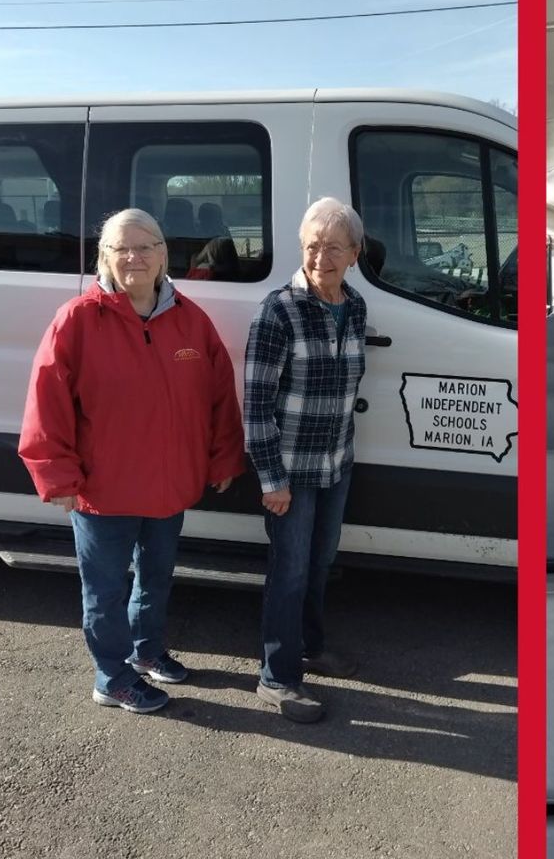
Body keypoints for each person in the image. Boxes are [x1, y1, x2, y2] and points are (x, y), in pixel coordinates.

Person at [18, 208, 244, 714]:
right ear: (105, 256)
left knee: (156, 577)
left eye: (145, 246)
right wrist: (56, 477)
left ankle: (146, 651)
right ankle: (112, 676)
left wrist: (224, 457)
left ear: (165, 255)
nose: (134, 257)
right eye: (121, 248)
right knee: (104, 591)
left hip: (169, 487)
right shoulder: (77, 319)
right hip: (104, 491)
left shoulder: (190, 320)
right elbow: (46, 402)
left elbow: (219, 398)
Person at [244, 196, 366, 723]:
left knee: (320, 565)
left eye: (334, 248)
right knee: (289, 572)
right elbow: (256, 404)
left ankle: (310, 648)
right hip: (290, 470)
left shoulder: (355, 306)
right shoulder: (278, 310)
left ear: (355, 254)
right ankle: (277, 677)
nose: (321, 258)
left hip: (336, 464)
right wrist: (272, 479)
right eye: (313, 246)